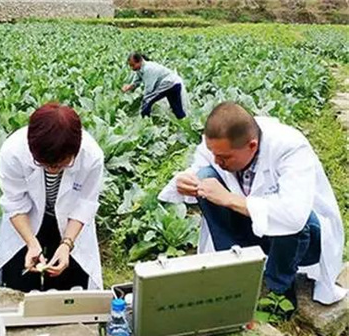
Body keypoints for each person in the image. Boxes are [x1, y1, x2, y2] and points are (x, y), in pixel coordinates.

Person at [158, 101, 347, 306]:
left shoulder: (290, 148)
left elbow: (294, 217)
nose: (217, 161)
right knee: (205, 177)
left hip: (304, 242)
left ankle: (277, 288)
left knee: (300, 219)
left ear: (252, 146)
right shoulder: (219, 145)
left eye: (224, 157)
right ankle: (235, 268)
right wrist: (186, 181)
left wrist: (229, 199)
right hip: (254, 229)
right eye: (213, 154)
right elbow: (200, 167)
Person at [0, 103, 105, 291]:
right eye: (45, 164)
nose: (52, 169)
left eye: (61, 164)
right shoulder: (13, 151)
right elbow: (14, 203)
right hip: (26, 217)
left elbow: (85, 204)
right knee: (19, 284)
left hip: (70, 220)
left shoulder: (92, 156)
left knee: (69, 285)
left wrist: (67, 244)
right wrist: (31, 242)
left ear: (75, 151)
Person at [122, 52, 187, 119]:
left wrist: (144, 98)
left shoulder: (148, 68)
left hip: (170, 84)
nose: (132, 68)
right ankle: (183, 122)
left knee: (147, 101)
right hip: (174, 84)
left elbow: (149, 89)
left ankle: (144, 122)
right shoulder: (140, 68)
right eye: (130, 66)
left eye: (133, 65)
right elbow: (136, 81)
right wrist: (129, 87)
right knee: (176, 108)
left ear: (140, 61)